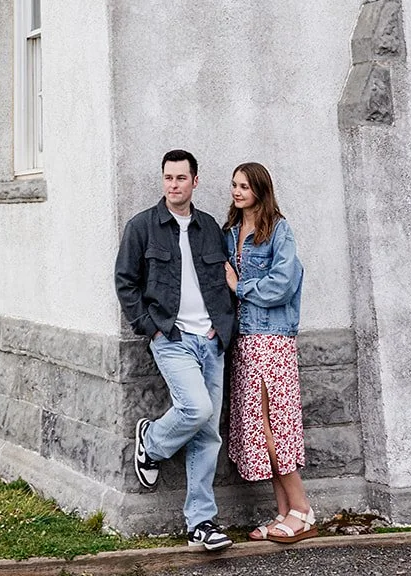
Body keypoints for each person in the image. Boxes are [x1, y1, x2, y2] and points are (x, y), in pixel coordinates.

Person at [114, 150, 235, 552]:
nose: (173, 185)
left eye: (181, 178)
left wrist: (223, 326)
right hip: (173, 338)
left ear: (195, 182)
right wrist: (151, 329)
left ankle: (201, 523)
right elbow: (125, 282)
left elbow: (222, 280)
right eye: (168, 178)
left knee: (208, 434)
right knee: (197, 410)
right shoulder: (143, 227)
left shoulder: (210, 228)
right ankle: (151, 443)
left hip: (211, 341)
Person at [224, 162, 317, 544]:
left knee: (273, 427)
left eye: (244, 186)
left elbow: (281, 284)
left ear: (261, 190)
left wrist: (240, 286)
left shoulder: (279, 230)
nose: (237, 191)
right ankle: (284, 513)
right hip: (244, 338)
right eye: (234, 185)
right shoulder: (231, 233)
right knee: (260, 432)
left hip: (272, 339)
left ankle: (303, 509)